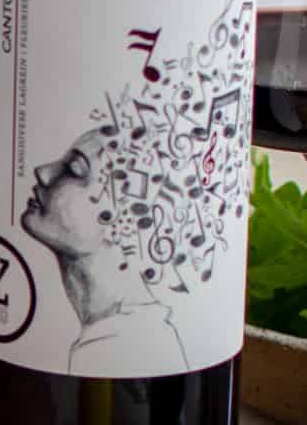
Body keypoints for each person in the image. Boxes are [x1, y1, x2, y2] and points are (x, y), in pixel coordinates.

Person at [22, 125, 192, 378]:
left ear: (123, 217)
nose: (44, 173)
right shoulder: (118, 332)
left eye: (74, 170)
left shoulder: (119, 345)